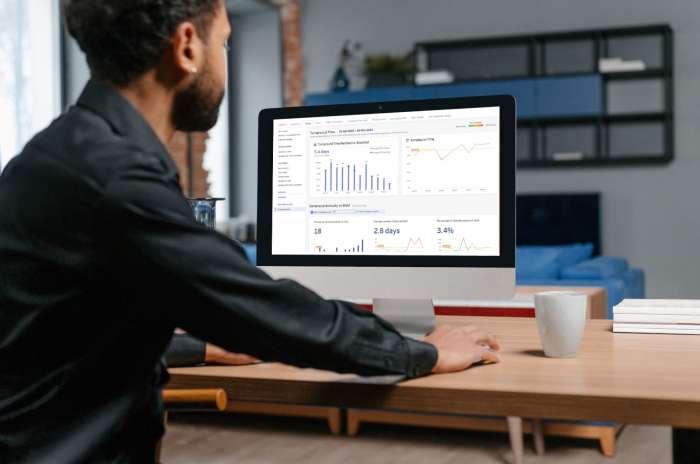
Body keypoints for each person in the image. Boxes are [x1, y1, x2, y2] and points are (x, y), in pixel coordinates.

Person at [0, 0, 501, 462]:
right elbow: (268, 312)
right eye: (226, 42)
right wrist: (426, 351)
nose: (226, 64)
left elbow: (63, 338)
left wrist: (202, 346)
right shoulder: (115, 180)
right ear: (188, 46)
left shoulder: (61, 154)